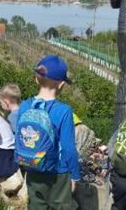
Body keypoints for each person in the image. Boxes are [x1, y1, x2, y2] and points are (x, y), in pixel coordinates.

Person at [15, 55, 80, 209]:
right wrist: (75, 176)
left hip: (32, 166)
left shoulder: (24, 106)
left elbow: (18, 135)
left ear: (36, 79)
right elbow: (68, 148)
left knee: (37, 205)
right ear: (61, 84)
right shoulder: (63, 111)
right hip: (58, 173)